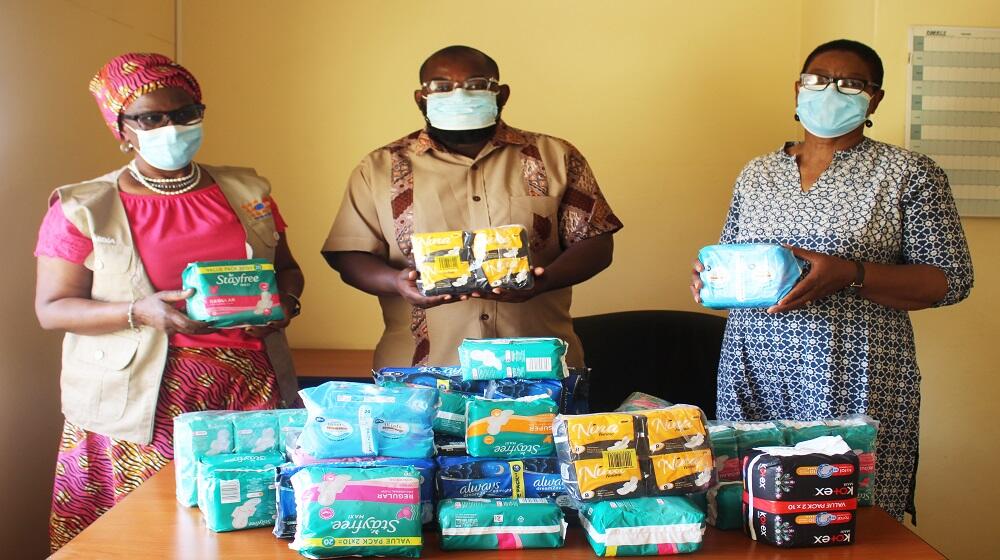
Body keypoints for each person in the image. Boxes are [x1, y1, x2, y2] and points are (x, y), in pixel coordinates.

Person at [690, 39, 973, 522]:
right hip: (754, 367)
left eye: (850, 83)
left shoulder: (908, 174)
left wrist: (851, 273)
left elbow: (949, 280)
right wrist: (710, 278)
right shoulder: (757, 173)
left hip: (857, 369)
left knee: (844, 513)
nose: (830, 91)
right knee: (751, 507)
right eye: (817, 79)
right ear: (797, 90)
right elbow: (736, 258)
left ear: (874, 99)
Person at [34, 53, 304, 550]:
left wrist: (287, 302)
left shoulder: (247, 190)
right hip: (139, 400)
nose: (171, 126)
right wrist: (139, 311)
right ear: (122, 128)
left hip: (248, 387)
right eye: (150, 117)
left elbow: (286, 269)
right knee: (146, 534)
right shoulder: (83, 206)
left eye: (184, 113)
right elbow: (53, 308)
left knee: (245, 523)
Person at [322, 45, 622, 367]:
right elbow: (349, 254)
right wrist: (396, 283)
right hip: (421, 375)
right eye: (441, 87)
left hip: (538, 366)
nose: (459, 96)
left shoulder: (555, 156)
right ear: (421, 98)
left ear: (501, 94)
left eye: (476, 84)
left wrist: (542, 281)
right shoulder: (379, 168)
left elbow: (596, 241)